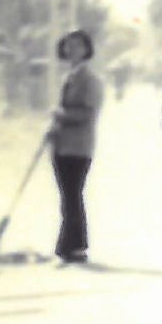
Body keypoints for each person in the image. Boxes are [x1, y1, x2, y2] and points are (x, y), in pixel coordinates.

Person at [47, 29, 103, 265]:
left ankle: (74, 247)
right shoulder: (69, 76)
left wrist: (62, 115)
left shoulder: (90, 79)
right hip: (62, 145)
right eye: (68, 46)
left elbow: (89, 112)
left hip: (79, 146)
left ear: (86, 50)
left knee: (72, 196)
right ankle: (71, 245)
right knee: (67, 196)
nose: (72, 50)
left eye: (77, 46)